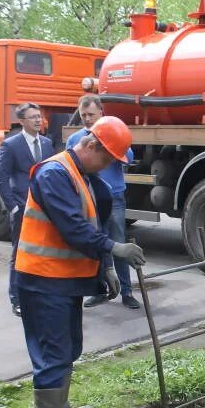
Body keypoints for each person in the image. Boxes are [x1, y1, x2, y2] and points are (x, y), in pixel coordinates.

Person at [15, 116, 146, 408]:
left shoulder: (85, 177)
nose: (107, 167)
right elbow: (73, 229)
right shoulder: (54, 174)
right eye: (106, 159)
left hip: (65, 279)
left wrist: (103, 267)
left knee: (70, 346)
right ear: (89, 145)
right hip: (42, 281)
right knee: (53, 355)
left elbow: (91, 221)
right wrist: (115, 250)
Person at [66, 95, 141, 310]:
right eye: (83, 116)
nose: (87, 119)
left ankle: (126, 292)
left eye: (91, 115)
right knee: (97, 245)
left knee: (119, 242)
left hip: (114, 198)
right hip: (90, 199)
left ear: (101, 113)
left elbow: (126, 153)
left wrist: (107, 139)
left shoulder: (113, 133)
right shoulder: (76, 140)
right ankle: (99, 290)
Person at [0, 103, 53, 317]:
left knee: (44, 252)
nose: (38, 120)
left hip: (45, 209)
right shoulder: (10, 145)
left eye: (39, 116)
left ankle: (40, 294)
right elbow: (0, 179)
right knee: (20, 254)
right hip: (23, 209)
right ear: (22, 121)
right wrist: (13, 207)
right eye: (32, 117)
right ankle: (17, 299)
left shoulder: (47, 144)